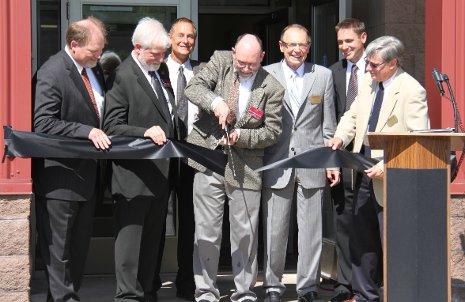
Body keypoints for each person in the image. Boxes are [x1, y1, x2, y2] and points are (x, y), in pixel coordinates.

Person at [327, 36, 430, 302]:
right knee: (361, 238)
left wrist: (388, 165)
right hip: (362, 171)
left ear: (393, 63)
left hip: (391, 179)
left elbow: (419, 140)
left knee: (392, 242)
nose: (368, 69)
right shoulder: (369, 82)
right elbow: (352, 115)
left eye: (374, 64)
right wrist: (341, 137)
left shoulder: (412, 90)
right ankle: (364, 295)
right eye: (369, 64)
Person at [184, 34, 284, 302]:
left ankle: (244, 292)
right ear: (232, 53)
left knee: (245, 232)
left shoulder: (272, 87)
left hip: (247, 165)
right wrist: (216, 102)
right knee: (206, 229)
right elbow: (193, 88)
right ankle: (205, 291)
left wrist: (243, 137)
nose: (246, 68)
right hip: (209, 159)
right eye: (241, 62)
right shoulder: (221, 61)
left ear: (262, 58)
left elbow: (272, 131)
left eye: (252, 64)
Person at [33, 17, 110, 302]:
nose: (99, 56)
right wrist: (86, 131)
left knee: (77, 255)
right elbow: (43, 123)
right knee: (59, 255)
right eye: (94, 51)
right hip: (60, 179)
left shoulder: (93, 69)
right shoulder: (52, 72)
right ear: (74, 45)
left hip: (88, 179)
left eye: (101, 51)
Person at [261, 24, 340, 302]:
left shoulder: (323, 76)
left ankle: (307, 287)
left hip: (312, 162)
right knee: (275, 230)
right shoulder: (265, 74)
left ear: (309, 46)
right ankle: (273, 285)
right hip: (277, 163)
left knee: (311, 232)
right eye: (291, 45)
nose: (297, 50)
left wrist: (332, 163)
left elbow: (329, 126)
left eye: (303, 45)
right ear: (281, 46)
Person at [103, 17, 175, 302]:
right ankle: (128, 296)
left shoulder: (160, 70)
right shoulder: (122, 75)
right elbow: (111, 127)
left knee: (151, 247)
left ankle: (146, 293)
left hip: (159, 177)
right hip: (132, 178)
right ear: (137, 48)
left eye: (163, 53)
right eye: (155, 53)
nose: (160, 58)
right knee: (130, 248)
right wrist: (144, 132)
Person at [328, 18, 367, 302]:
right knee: (342, 222)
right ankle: (344, 285)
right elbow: (332, 116)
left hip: (370, 158)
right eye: (340, 42)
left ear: (363, 38)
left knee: (367, 224)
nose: (344, 47)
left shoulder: (378, 71)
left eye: (349, 41)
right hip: (341, 156)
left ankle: (367, 284)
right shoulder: (333, 73)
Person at [166, 17, 205, 301]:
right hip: (162, 155)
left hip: (192, 157)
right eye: (180, 35)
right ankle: (150, 280)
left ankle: (186, 280)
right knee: (156, 220)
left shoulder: (202, 72)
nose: (186, 41)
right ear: (170, 37)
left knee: (190, 223)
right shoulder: (157, 69)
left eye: (190, 36)